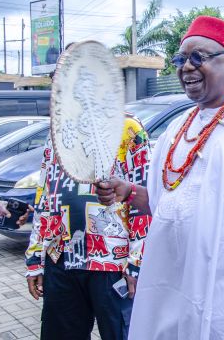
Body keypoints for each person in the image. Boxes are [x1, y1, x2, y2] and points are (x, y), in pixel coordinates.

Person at [95, 16, 224, 340]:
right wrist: (128, 192)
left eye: (198, 57)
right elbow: (166, 204)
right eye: (180, 59)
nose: (186, 67)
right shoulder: (176, 128)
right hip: (172, 285)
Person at [25, 112, 151, 340]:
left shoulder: (128, 127)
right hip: (60, 257)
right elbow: (44, 194)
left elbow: (144, 201)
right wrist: (35, 258)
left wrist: (137, 263)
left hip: (112, 263)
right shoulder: (57, 132)